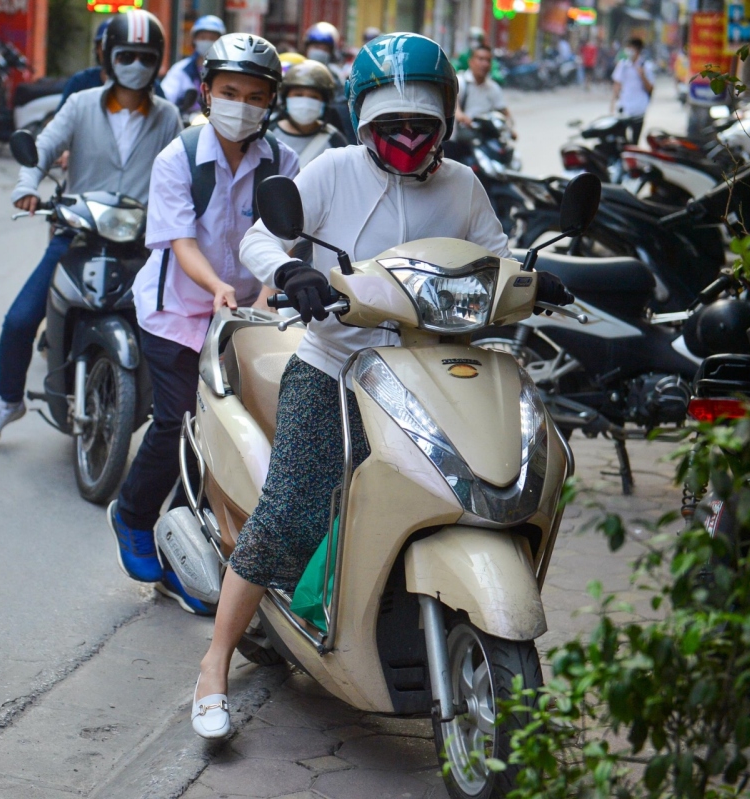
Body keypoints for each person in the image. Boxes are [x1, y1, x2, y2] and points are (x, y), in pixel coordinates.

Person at [187, 32, 575, 740]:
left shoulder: (462, 184)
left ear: (446, 121)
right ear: (362, 121)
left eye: (420, 125)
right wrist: (291, 272)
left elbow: (496, 254)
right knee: (294, 508)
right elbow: (256, 240)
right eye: (390, 125)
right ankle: (214, 665)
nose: (405, 138)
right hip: (336, 365)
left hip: (438, 363)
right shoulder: (332, 170)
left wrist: (532, 277)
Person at [108, 32, 299, 615]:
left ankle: (188, 546)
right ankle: (134, 516)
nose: (242, 103)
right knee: (177, 424)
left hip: (247, 318)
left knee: (229, 436)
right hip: (176, 314)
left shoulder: (283, 162)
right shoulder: (179, 156)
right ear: (207, 93)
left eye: (255, 94)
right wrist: (216, 286)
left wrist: (268, 287)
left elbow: (283, 235)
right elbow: (179, 241)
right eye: (230, 91)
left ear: (271, 102)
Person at [0, 10, 181, 449]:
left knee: (172, 332)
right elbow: (43, 149)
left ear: (158, 60)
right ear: (108, 55)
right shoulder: (82, 105)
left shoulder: (168, 118)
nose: (136, 65)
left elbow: (183, 175)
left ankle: (175, 424)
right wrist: (26, 186)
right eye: (127, 55)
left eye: (146, 57)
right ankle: (7, 401)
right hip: (77, 235)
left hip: (142, 244)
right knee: (20, 318)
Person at [271, 60, 347, 165]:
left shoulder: (334, 139)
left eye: (314, 97)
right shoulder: (268, 134)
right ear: (285, 99)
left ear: (324, 103)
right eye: (298, 95)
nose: (305, 102)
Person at [160, 15, 226, 114]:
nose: (207, 41)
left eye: (212, 38)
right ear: (194, 40)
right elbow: (166, 99)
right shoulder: (181, 69)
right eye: (203, 38)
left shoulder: (226, 71)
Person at [57, 20, 112, 111]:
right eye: (104, 46)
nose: (108, 52)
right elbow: (61, 119)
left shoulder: (134, 84)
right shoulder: (80, 82)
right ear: (97, 49)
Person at [456, 43, 512, 129]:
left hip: (483, 134)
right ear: (471, 62)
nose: (485, 64)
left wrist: (509, 127)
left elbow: (503, 110)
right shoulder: (460, 82)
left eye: (488, 60)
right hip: (460, 136)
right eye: (481, 59)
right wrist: (460, 116)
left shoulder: (493, 87)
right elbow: (453, 105)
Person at [611, 37, 654, 144]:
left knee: (634, 142)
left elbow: (650, 88)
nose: (628, 50)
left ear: (637, 50)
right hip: (624, 108)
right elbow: (617, 84)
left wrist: (642, 75)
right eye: (628, 47)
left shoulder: (646, 66)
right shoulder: (623, 65)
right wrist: (612, 103)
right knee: (621, 140)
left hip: (639, 109)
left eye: (631, 48)